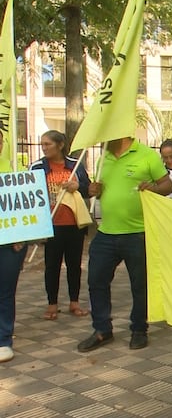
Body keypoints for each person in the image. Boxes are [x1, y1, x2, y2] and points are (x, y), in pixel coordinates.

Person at [77, 137, 172, 353]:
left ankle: (139, 330)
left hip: (138, 233)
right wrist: (94, 190)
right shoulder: (104, 158)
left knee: (140, 285)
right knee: (96, 281)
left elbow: (167, 185)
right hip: (106, 233)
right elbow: (101, 190)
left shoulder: (147, 155)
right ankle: (102, 330)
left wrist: (153, 188)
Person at [29, 130, 91, 320]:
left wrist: (78, 186)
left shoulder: (74, 166)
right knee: (52, 265)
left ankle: (74, 302)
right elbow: (29, 195)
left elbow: (88, 189)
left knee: (74, 265)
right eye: (42, 144)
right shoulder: (37, 166)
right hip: (51, 224)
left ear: (60, 145)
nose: (44, 148)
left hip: (73, 223)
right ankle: (52, 304)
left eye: (48, 144)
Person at [0, 130, 28, 362]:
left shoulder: (14, 169)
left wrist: (20, 234)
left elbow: (24, 207)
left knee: (5, 292)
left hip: (9, 244)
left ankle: (3, 339)